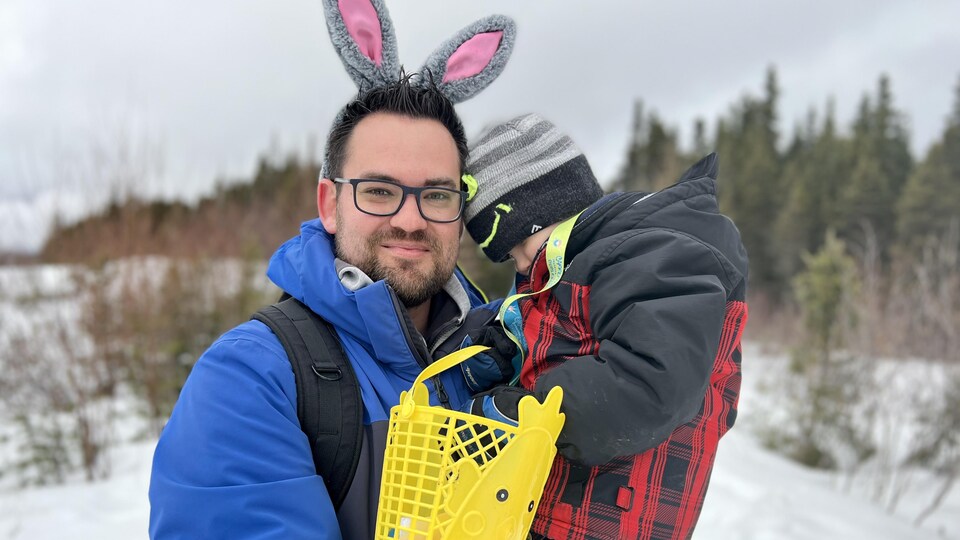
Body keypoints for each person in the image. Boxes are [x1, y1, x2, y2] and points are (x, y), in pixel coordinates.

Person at [149, 1, 518, 537]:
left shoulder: (502, 351)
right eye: (379, 191)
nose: (410, 220)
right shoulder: (251, 380)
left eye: (437, 195)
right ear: (329, 203)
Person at [457, 113, 750, 540]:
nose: (521, 264)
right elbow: (564, 342)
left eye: (520, 245)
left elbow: (650, 379)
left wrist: (524, 411)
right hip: (562, 514)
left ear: (546, 209)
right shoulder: (585, 268)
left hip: (613, 521)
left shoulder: (656, 253)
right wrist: (500, 348)